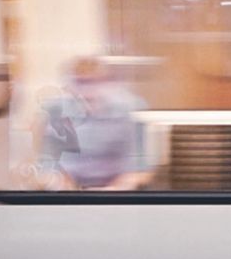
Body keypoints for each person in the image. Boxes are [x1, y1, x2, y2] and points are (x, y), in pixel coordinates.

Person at [36, 56, 150, 191]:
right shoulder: (56, 111)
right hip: (69, 193)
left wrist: (113, 190)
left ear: (106, 82)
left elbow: (139, 169)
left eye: (93, 82)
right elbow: (47, 167)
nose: (87, 90)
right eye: (80, 82)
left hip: (118, 193)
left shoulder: (129, 110)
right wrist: (67, 190)